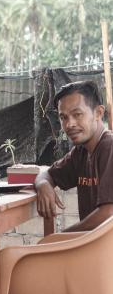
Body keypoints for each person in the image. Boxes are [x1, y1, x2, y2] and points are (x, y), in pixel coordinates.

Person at [35, 80, 113, 232]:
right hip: (92, 246)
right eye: (63, 117)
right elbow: (46, 175)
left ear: (98, 113)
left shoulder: (109, 147)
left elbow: (108, 214)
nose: (69, 124)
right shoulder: (81, 152)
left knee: (12, 255)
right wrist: (43, 185)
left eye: (77, 114)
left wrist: (64, 237)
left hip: (105, 250)